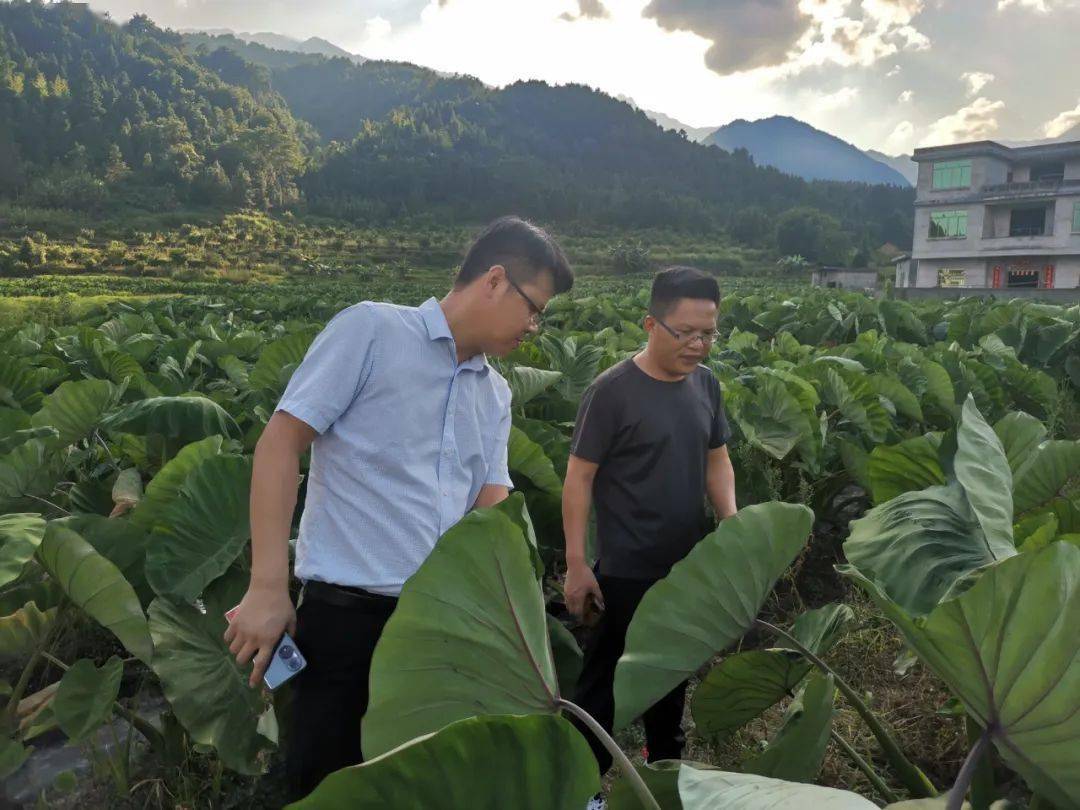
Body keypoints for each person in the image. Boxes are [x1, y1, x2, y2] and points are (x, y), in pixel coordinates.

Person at [222, 216, 573, 800]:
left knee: (425, 792)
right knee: (328, 784)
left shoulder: (495, 394)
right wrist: (266, 586)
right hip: (345, 623)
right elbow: (280, 443)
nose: (535, 327)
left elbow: (494, 516)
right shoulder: (372, 332)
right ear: (494, 280)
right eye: (534, 308)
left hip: (443, 631)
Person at [562, 266, 737, 799]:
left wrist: (733, 523)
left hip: (685, 568)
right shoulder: (612, 391)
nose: (698, 344)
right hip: (624, 571)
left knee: (671, 679)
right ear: (650, 324)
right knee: (602, 690)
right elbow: (579, 477)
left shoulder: (706, 384)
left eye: (708, 332)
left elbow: (718, 459)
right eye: (685, 332)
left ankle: (663, 777)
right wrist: (576, 563)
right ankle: (580, 787)